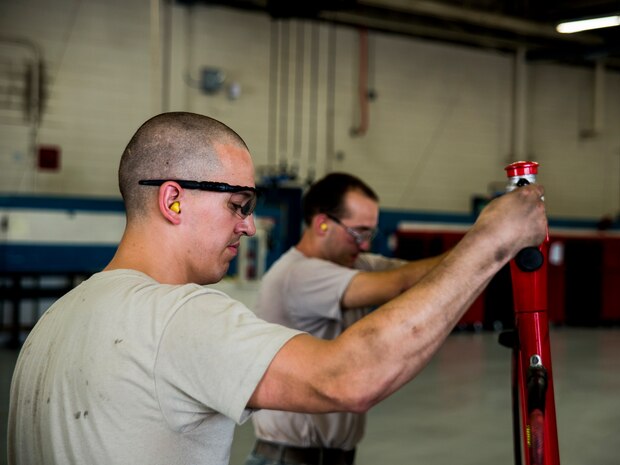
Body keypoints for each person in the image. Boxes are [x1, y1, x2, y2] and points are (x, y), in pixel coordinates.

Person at [7, 112, 547, 465]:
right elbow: (349, 377)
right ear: (172, 201)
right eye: (237, 205)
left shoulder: (54, 321)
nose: (247, 225)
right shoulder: (178, 316)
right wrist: (490, 241)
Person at [245, 172, 450, 465]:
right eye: (359, 233)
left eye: (370, 234)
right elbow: (402, 282)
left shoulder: (351, 263)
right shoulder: (298, 274)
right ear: (322, 223)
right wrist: (486, 243)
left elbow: (420, 273)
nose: (365, 245)